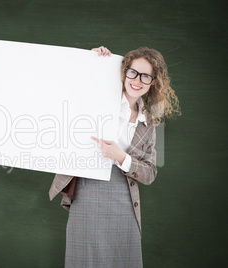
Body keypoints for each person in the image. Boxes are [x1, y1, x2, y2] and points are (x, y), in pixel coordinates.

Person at [49, 46, 181, 267]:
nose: (137, 80)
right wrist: (94, 62)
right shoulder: (97, 99)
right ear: (124, 72)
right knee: (84, 258)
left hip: (124, 197)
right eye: (133, 72)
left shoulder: (149, 123)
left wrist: (122, 157)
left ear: (153, 82)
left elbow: (150, 173)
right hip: (87, 191)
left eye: (146, 76)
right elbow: (73, 86)